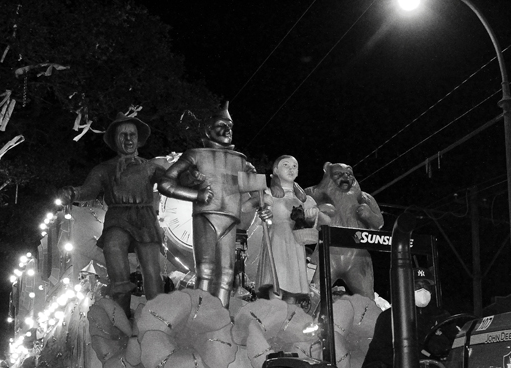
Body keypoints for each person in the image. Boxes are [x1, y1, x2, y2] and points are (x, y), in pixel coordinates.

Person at [61, 112, 170, 317]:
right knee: (113, 245)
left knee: (151, 270)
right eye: (123, 135)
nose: (128, 139)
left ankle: (158, 316)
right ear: (115, 140)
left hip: (145, 218)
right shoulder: (104, 169)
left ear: (138, 138)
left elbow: (168, 184)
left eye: (132, 134)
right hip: (117, 217)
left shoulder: (150, 167)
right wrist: (74, 192)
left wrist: (187, 181)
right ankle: (121, 312)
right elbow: (90, 190)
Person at [158, 102, 264, 308]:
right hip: (206, 216)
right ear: (208, 129)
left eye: (230, 126)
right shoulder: (196, 154)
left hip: (230, 220)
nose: (227, 130)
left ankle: (220, 320)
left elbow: (259, 194)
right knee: (205, 271)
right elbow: (165, 182)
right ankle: (199, 318)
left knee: (226, 275)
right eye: (221, 125)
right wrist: (196, 194)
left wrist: (261, 203)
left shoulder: (241, 160)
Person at [256, 155, 324, 302]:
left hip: (295, 244)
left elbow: (316, 222)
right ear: (276, 170)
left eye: (294, 166)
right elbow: (257, 215)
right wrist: (264, 215)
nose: (291, 169)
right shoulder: (268, 194)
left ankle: (290, 319)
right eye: (286, 165)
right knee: (276, 282)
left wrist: (311, 217)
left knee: (292, 289)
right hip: (276, 241)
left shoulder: (304, 199)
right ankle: (275, 316)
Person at [361, 275, 454, 368]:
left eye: (426, 286)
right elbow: (379, 350)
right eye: (417, 286)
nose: (423, 290)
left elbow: (455, 341)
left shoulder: (441, 315)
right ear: (406, 288)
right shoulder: (391, 317)